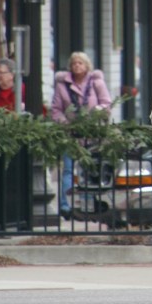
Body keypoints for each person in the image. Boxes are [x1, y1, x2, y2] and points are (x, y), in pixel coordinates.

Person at [51, 52, 112, 221]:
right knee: (69, 170)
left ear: (87, 66)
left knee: (88, 170)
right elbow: (55, 109)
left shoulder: (96, 83)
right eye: (74, 63)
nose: (77, 66)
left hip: (92, 135)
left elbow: (106, 103)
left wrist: (96, 113)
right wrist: (64, 122)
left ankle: (87, 205)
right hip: (70, 134)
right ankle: (66, 206)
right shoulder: (62, 85)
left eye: (80, 63)